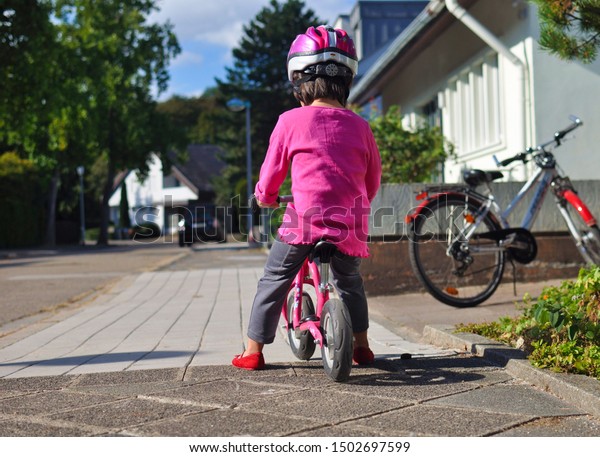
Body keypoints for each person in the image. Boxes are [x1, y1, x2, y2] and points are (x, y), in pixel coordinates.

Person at [232, 25, 381, 371]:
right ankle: (362, 346)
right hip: (349, 225)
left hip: (303, 224)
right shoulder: (361, 126)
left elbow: (270, 175)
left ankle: (253, 350)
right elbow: (372, 180)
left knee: (274, 280)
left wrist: (265, 198)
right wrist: (359, 203)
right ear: (346, 82)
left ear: (298, 80)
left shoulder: (289, 121)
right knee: (350, 283)